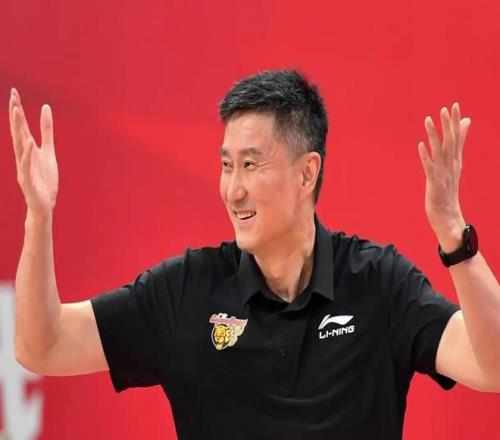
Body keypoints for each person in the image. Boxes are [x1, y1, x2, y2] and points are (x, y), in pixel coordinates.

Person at [9, 70, 500, 439]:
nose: (233, 190)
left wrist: (454, 235)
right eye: (227, 166)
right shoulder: (188, 290)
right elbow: (43, 346)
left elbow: (493, 367)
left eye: (250, 164)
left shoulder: (378, 283)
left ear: (307, 173)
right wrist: (38, 217)